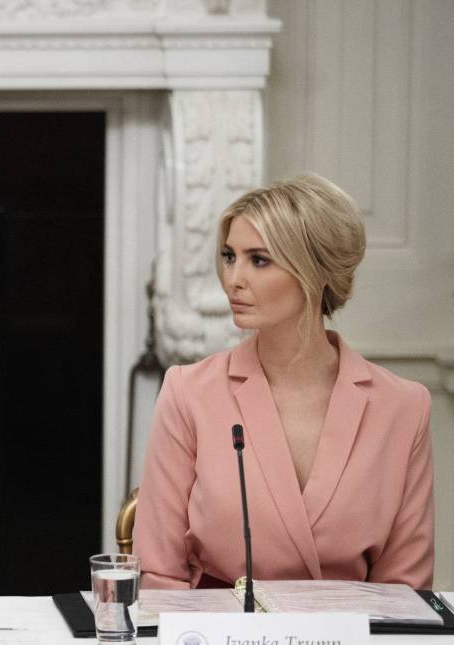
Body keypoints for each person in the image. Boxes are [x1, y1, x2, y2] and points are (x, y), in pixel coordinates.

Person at [135, 173, 434, 590]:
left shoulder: (403, 407)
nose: (233, 279)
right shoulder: (188, 392)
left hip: (350, 632)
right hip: (217, 629)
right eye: (229, 256)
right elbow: (158, 574)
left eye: (259, 260)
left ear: (316, 270)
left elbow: (405, 593)